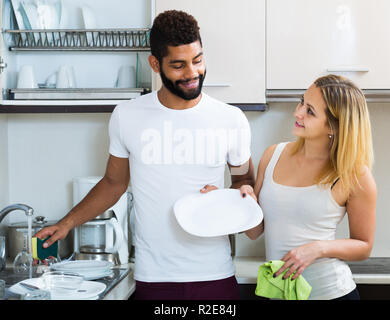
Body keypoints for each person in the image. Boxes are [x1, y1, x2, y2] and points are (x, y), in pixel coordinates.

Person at [35, 10, 255, 300]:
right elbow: (114, 183)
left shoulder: (231, 119)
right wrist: (66, 224)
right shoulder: (127, 116)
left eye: (198, 60)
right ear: (155, 63)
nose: (192, 73)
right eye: (178, 65)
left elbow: (243, 183)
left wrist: (231, 197)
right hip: (155, 278)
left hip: (214, 275)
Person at [240, 74, 377, 300]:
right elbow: (254, 232)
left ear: (334, 125)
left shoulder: (354, 175)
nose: (298, 112)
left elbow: (364, 246)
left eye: (310, 111)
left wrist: (317, 249)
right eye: (302, 101)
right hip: (277, 293)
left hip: (330, 294)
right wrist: (241, 203)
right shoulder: (272, 155)